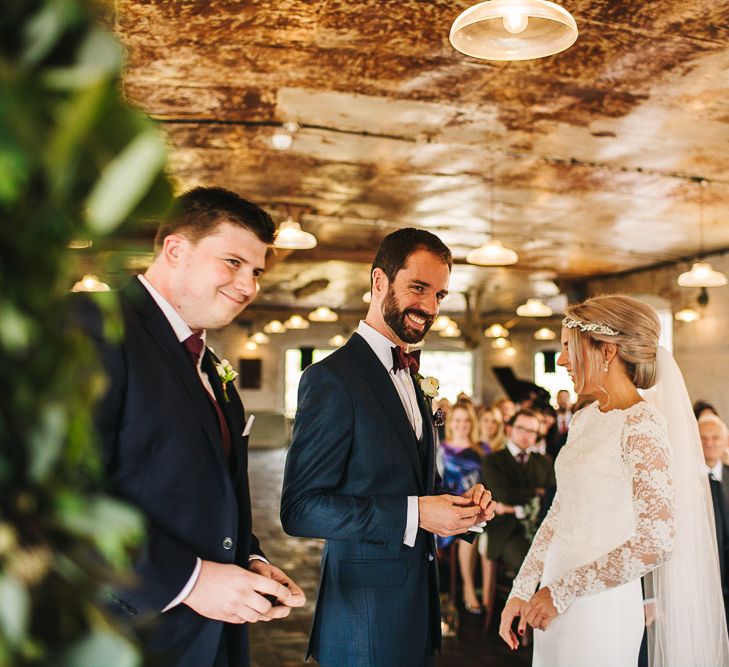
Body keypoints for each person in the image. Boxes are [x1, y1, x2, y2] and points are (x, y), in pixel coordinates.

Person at [73, 187, 305, 667]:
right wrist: (192, 580)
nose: (249, 286)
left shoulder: (210, 366)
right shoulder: (95, 328)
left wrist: (251, 560)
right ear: (176, 250)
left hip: (211, 642)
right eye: (233, 262)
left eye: (257, 271)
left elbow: (204, 490)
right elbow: (58, 497)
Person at [280, 228, 495, 667]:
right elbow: (300, 509)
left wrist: (461, 510)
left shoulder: (416, 382)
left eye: (440, 295)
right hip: (363, 616)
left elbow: (419, 485)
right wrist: (416, 514)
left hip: (417, 608)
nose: (430, 307)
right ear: (379, 282)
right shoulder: (331, 379)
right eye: (419, 288)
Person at [499, 295, 729, 667]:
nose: (560, 360)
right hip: (550, 600)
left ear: (606, 351)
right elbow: (559, 514)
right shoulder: (584, 419)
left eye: (567, 348)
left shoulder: (643, 425)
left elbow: (657, 540)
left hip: (598, 605)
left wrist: (561, 591)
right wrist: (522, 589)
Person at [481, 410, 555, 574]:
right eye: (521, 428)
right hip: (507, 530)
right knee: (532, 567)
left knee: (556, 564)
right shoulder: (493, 460)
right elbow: (503, 494)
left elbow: (551, 495)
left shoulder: (544, 462)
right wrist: (537, 491)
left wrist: (536, 494)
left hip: (540, 528)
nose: (526, 435)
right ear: (509, 429)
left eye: (532, 431)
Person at [437, 401, 492, 614]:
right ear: (451, 423)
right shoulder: (442, 449)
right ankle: (468, 586)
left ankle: (479, 587)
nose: (462, 425)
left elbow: (488, 480)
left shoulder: (482, 449)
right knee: (469, 531)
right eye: (458, 420)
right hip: (451, 505)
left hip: (478, 504)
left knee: (476, 524)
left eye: (467, 420)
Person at [700, 414, 729, 510]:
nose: (709, 443)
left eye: (715, 437)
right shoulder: (685, 478)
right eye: (703, 438)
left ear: (726, 441)